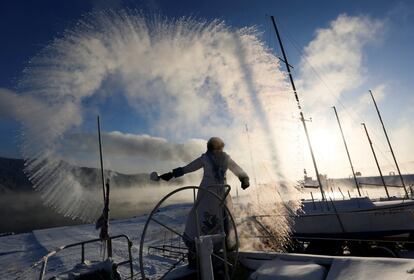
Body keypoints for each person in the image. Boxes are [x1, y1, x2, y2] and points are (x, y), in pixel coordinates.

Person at [154, 137, 250, 263]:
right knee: (202, 218)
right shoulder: (207, 158)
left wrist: (244, 178)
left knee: (219, 218)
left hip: (219, 194)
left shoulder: (223, 158)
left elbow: (237, 170)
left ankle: (223, 247)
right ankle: (200, 249)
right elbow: (188, 168)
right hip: (210, 194)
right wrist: (171, 174)